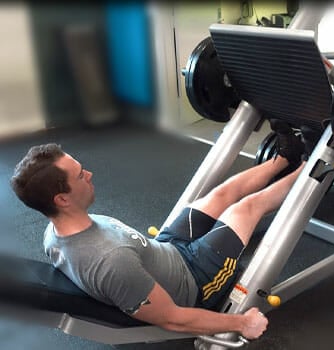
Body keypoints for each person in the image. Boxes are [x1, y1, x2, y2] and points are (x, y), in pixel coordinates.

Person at [10, 119, 310, 340]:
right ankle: (306, 170)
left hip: (165, 249)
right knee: (246, 208)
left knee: (220, 194)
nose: (89, 174)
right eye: (79, 175)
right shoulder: (111, 261)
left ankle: (283, 158)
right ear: (62, 199)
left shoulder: (55, 232)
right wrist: (241, 324)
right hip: (196, 281)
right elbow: (174, 319)